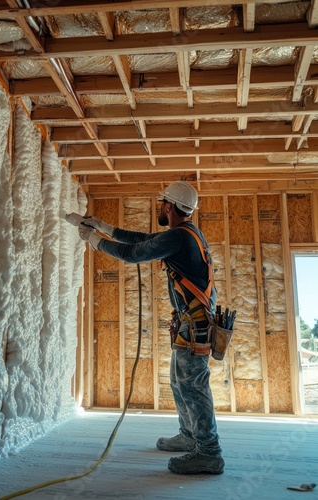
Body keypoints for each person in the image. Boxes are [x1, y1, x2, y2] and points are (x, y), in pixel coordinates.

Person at [67, 181, 224, 475]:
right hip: (191, 325)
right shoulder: (186, 234)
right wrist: (104, 227)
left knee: (194, 387)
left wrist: (93, 240)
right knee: (181, 383)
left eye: (161, 203)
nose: (160, 208)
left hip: (195, 327)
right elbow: (144, 240)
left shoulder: (179, 237)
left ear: (168, 206)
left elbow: (134, 253)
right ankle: (189, 436)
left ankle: (209, 452)